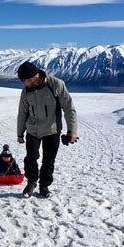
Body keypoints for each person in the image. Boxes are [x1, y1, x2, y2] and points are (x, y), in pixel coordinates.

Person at [16, 61, 78, 198]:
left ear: (33, 77)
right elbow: (22, 112)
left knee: (48, 160)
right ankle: (32, 182)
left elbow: (69, 108)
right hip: (33, 129)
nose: (23, 84)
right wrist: (20, 133)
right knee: (30, 158)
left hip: (52, 129)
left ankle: (44, 186)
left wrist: (72, 131)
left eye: (24, 81)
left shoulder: (55, 84)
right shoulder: (26, 91)